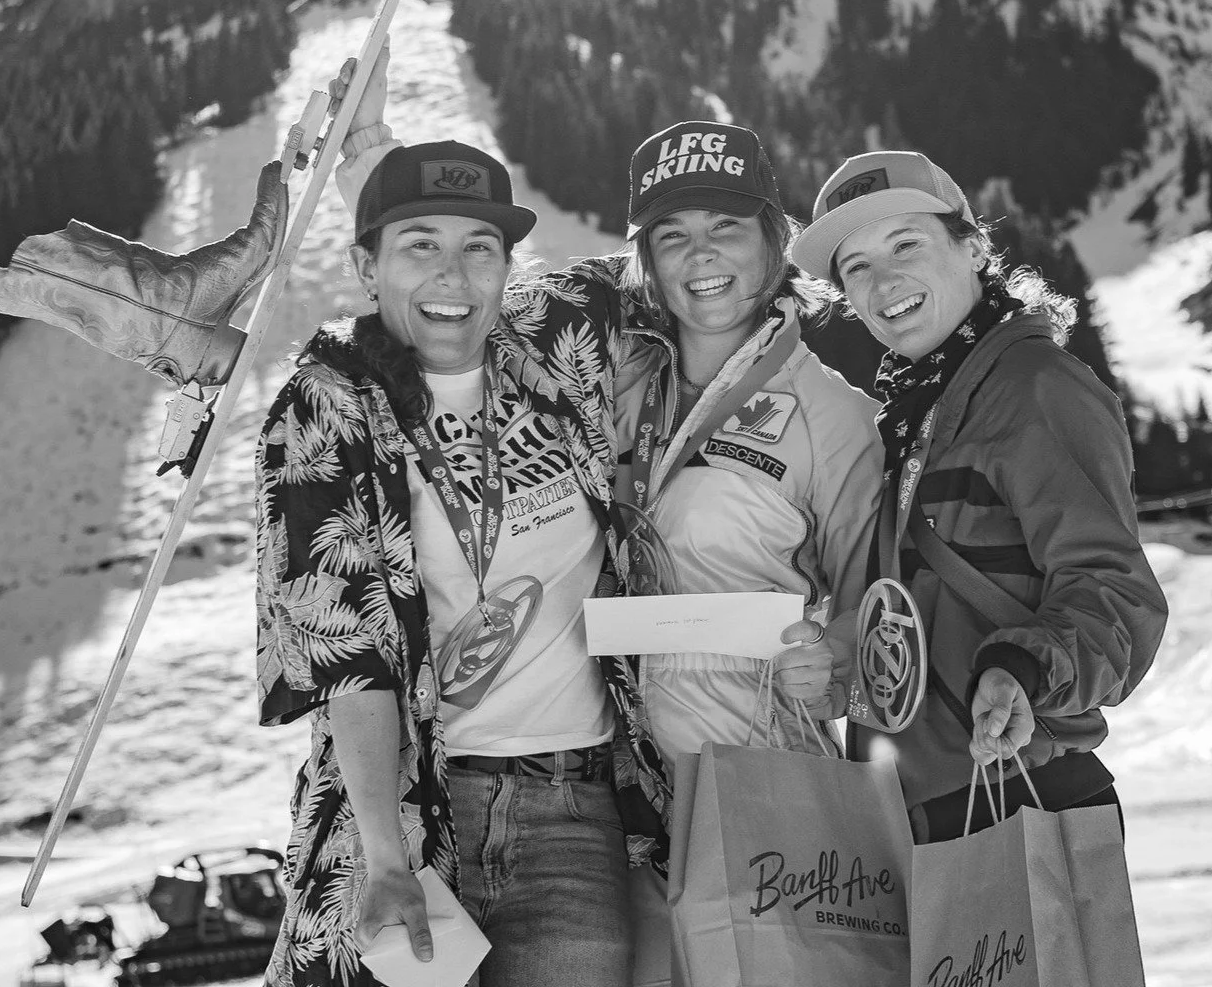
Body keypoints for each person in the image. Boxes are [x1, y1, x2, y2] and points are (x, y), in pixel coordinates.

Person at [334, 59, 885, 985]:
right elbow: (446, 312)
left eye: (727, 230)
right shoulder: (605, 366)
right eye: (673, 236)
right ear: (645, 256)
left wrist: (834, 663)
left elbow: (874, 614)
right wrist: (372, 168)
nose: (702, 258)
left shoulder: (830, 413)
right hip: (619, 795)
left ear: (774, 240)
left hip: (749, 780)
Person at [256, 140, 659, 987]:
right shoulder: (326, 405)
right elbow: (345, 655)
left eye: (479, 248)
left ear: (508, 267)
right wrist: (383, 856)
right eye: (419, 247)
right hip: (412, 808)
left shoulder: (555, 345)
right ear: (366, 266)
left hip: (574, 810)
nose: (452, 275)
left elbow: (695, 263)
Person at [792, 150, 1168, 841]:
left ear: (972, 247)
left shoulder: (1034, 387)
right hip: (906, 808)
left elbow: (1119, 595)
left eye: (906, 243)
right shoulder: (917, 410)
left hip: (1013, 795)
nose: (885, 280)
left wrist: (1019, 669)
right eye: (857, 267)